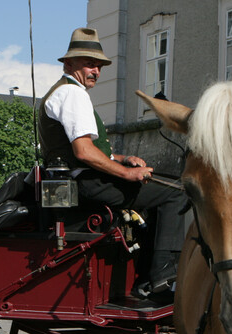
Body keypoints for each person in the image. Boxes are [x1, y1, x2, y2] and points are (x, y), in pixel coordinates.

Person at [38, 27, 186, 300]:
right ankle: (163, 276)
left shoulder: (66, 92)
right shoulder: (73, 94)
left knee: (160, 187)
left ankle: (146, 274)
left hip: (80, 180)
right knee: (176, 191)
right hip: (87, 183)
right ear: (69, 64)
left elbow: (87, 149)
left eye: (99, 66)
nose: (95, 70)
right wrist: (127, 174)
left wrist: (122, 158)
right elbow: (83, 152)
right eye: (89, 64)